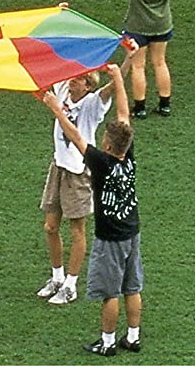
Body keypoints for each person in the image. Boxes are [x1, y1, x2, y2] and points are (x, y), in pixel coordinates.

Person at [42, 82, 141, 357]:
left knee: (110, 293)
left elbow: (74, 136)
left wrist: (56, 110)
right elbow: (123, 113)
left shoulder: (101, 162)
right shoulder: (128, 157)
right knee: (132, 287)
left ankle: (107, 342)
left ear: (107, 144)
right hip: (133, 231)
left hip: (110, 239)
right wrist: (119, 79)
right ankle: (133, 337)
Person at [37, 64, 128, 307]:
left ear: (88, 85)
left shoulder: (92, 105)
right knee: (50, 227)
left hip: (78, 172)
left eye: (78, 80)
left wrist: (127, 60)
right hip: (58, 166)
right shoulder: (63, 90)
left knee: (77, 230)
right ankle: (57, 277)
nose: (72, 82)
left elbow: (114, 86)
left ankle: (70, 284)